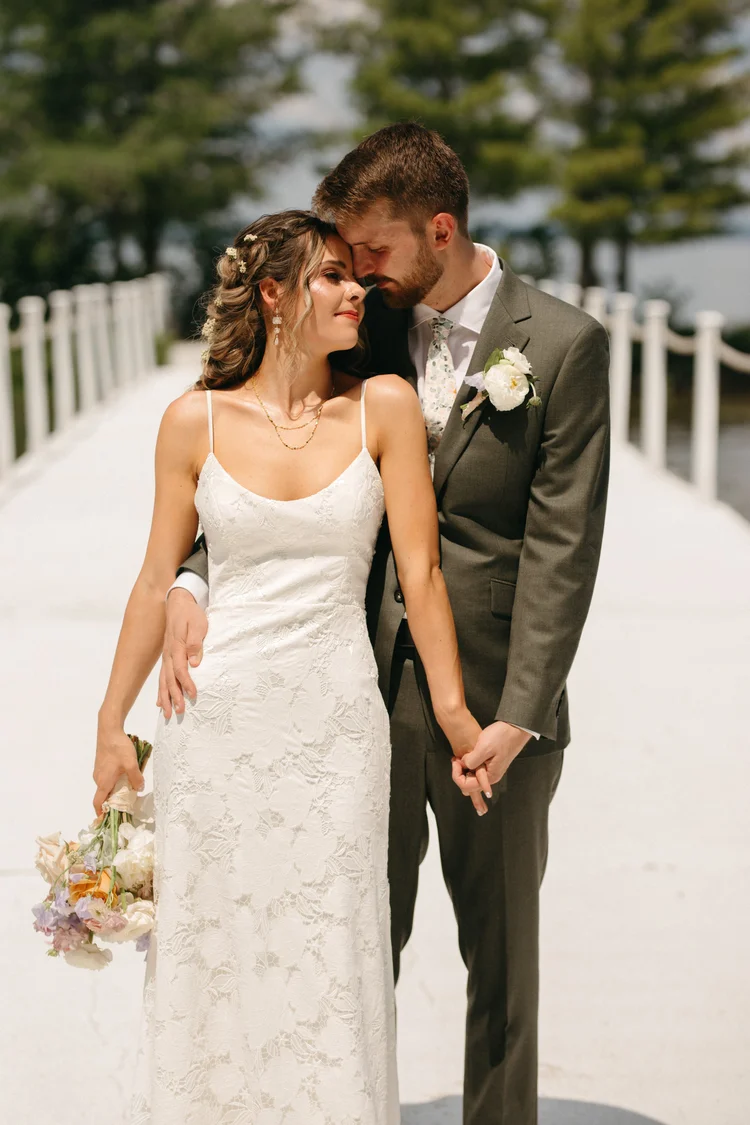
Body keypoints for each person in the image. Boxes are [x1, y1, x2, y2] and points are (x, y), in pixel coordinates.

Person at [162, 125, 611, 1125]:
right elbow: (271, 478)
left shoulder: (567, 345)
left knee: (502, 963)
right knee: (350, 944)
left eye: (371, 252)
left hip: (494, 699)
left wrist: (520, 713)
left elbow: (562, 551)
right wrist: (193, 583)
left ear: (438, 230)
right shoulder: (359, 329)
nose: (354, 277)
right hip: (349, 688)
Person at [92, 209, 487, 1125]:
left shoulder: (383, 404)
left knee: (331, 959)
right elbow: (158, 574)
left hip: (335, 728)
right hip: (215, 725)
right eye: (332, 277)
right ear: (274, 295)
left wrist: (456, 711)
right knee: (217, 959)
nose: (357, 292)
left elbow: (421, 574)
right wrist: (112, 723)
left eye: (357, 277)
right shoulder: (191, 421)